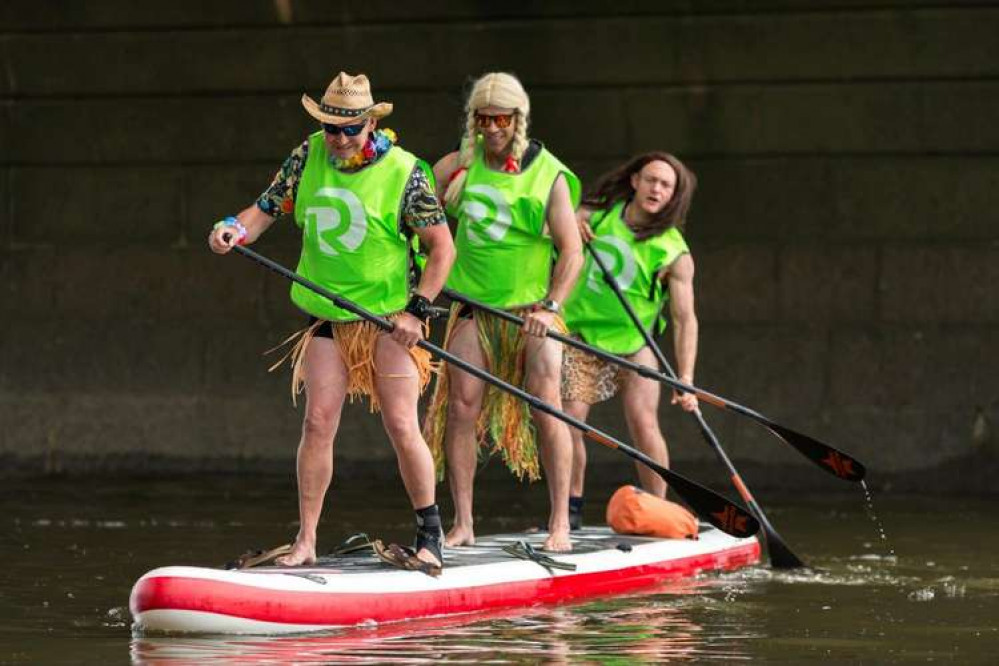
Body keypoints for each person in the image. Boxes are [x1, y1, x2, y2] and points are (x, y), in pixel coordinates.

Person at [208, 72, 455, 572]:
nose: (338, 140)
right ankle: (306, 541)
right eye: (330, 129)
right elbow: (263, 210)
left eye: (349, 130)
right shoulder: (307, 156)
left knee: (401, 423)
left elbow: (441, 250)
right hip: (327, 316)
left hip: (388, 319)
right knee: (318, 422)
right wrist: (232, 230)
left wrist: (418, 310)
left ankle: (431, 536)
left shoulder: (408, 173)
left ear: (370, 123)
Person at [424, 72, 583, 552]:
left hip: (532, 312)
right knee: (461, 408)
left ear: (517, 120)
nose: (491, 128)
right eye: (482, 118)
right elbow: (416, 225)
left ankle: (560, 523)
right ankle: (464, 523)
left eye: (500, 119)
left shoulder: (547, 173)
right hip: (474, 308)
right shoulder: (455, 167)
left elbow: (571, 252)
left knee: (546, 406)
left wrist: (552, 307)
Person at [560, 153, 699, 529]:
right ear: (636, 181)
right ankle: (569, 512)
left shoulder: (674, 251)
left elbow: (684, 319)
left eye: (666, 185)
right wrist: (571, 222)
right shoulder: (598, 217)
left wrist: (684, 377)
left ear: (673, 196)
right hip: (581, 337)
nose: (657, 189)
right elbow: (551, 224)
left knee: (643, 423)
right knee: (569, 423)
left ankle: (658, 510)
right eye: (651, 180)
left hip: (635, 344)